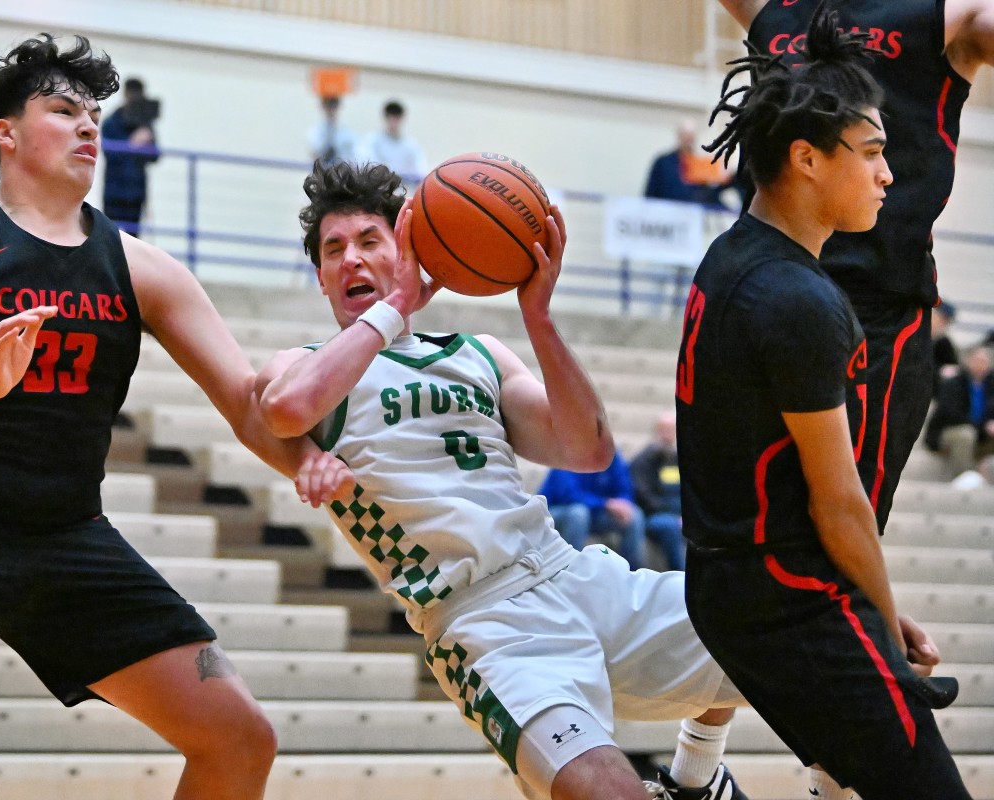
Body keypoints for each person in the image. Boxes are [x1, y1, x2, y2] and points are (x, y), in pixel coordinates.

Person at [0, 34, 327, 800]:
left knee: (241, 739)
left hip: (65, 535)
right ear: (6, 134)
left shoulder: (142, 268)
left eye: (95, 114)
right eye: (63, 110)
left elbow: (250, 405)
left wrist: (310, 458)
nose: (90, 126)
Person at [255, 159, 751, 800]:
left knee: (787, 629)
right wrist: (397, 303)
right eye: (333, 249)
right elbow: (285, 409)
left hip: (567, 571)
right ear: (320, 277)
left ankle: (696, 777)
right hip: (484, 624)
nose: (351, 258)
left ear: (404, 246)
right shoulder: (305, 365)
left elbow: (589, 449)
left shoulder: (479, 353)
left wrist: (539, 318)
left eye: (368, 241)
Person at [678, 10, 969, 799]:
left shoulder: (729, 258)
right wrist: (876, 621)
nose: (889, 173)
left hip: (730, 587)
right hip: (789, 603)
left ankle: (698, 772)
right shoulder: (804, 302)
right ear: (806, 157)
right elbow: (840, 510)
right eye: (874, 153)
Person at [716, 0, 994, 534]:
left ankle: (862, 613)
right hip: (765, 286)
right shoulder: (778, 11)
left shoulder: (940, 16)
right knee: (749, 521)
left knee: (839, 528)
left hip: (877, 308)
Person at [538, 454, 648, 571]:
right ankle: (570, 569)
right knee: (579, 513)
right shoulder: (568, 454)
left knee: (635, 515)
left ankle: (631, 573)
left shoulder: (610, 455)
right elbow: (569, 495)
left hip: (594, 514)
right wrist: (605, 503)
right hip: (556, 513)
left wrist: (622, 504)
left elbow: (624, 488)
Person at [925, 345, 994, 478]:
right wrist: (983, 427)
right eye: (977, 360)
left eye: (984, 361)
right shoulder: (954, 383)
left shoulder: (990, 385)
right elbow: (952, 415)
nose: (980, 364)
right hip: (948, 431)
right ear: (968, 360)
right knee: (966, 434)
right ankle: (964, 479)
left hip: (980, 434)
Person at [100, 76, 160, 232]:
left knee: (133, 239)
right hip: (114, 190)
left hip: (136, 191)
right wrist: (132, 143)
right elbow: (109, 153)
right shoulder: (111, 122)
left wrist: (146, 138)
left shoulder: (144, 125)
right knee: (110, 237)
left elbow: (155, 156)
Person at [630, 412, 686, 571]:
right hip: (654, 516)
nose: (667, 436)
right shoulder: (643, 460)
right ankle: (680, 575)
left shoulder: (679, 459)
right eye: (663, 430)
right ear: (656, 432)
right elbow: (643, 495)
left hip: (681, 515)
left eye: (671, 430)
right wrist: (675, 516)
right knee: (669, 526)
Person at [644, 119, 735, 208]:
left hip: (693, 215)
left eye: (691, 136)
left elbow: (709, 193)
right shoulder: (663, 163)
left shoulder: (701, 164)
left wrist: (724, 178)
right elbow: (651, 193)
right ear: (679, 136)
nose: (688, 140)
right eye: (685, 135)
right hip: (666, 215)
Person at [357, 100, 429, 179]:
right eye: (391, 116)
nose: (394, 121)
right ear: (385, 117)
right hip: (378, 186)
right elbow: (364, 165)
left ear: (402, 118)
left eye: (397, 117)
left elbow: (421, 171)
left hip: (404, 188)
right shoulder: (371, 141)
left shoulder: (412, 146)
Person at [306, 95, 356, 166]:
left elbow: (350, 159)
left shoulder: (347, 134)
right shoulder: (315, 132)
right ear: (322, 105)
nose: (331, 108)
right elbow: (314, 155)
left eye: (334, 103)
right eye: (328, 103)